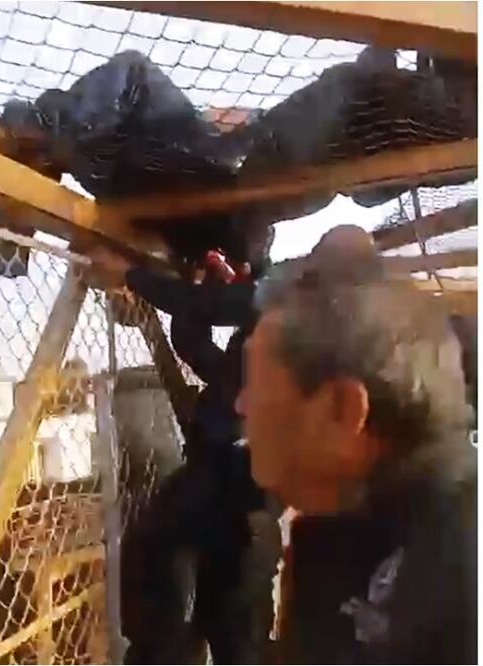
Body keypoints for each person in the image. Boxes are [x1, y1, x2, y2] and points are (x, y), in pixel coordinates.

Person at [87, 224, 382, 663]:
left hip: (241, 470)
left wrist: (133, 276)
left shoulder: (313, 304)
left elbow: (221, 310)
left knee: (171, 551)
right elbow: (202, 351)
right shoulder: (295, 319)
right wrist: (199, 294)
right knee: (222, 596)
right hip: (235, 469)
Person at [238, 259, 476, 663]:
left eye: (255, 382)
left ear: (343, 409)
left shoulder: (465, 568)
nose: (241, 404)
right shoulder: (335, 524)